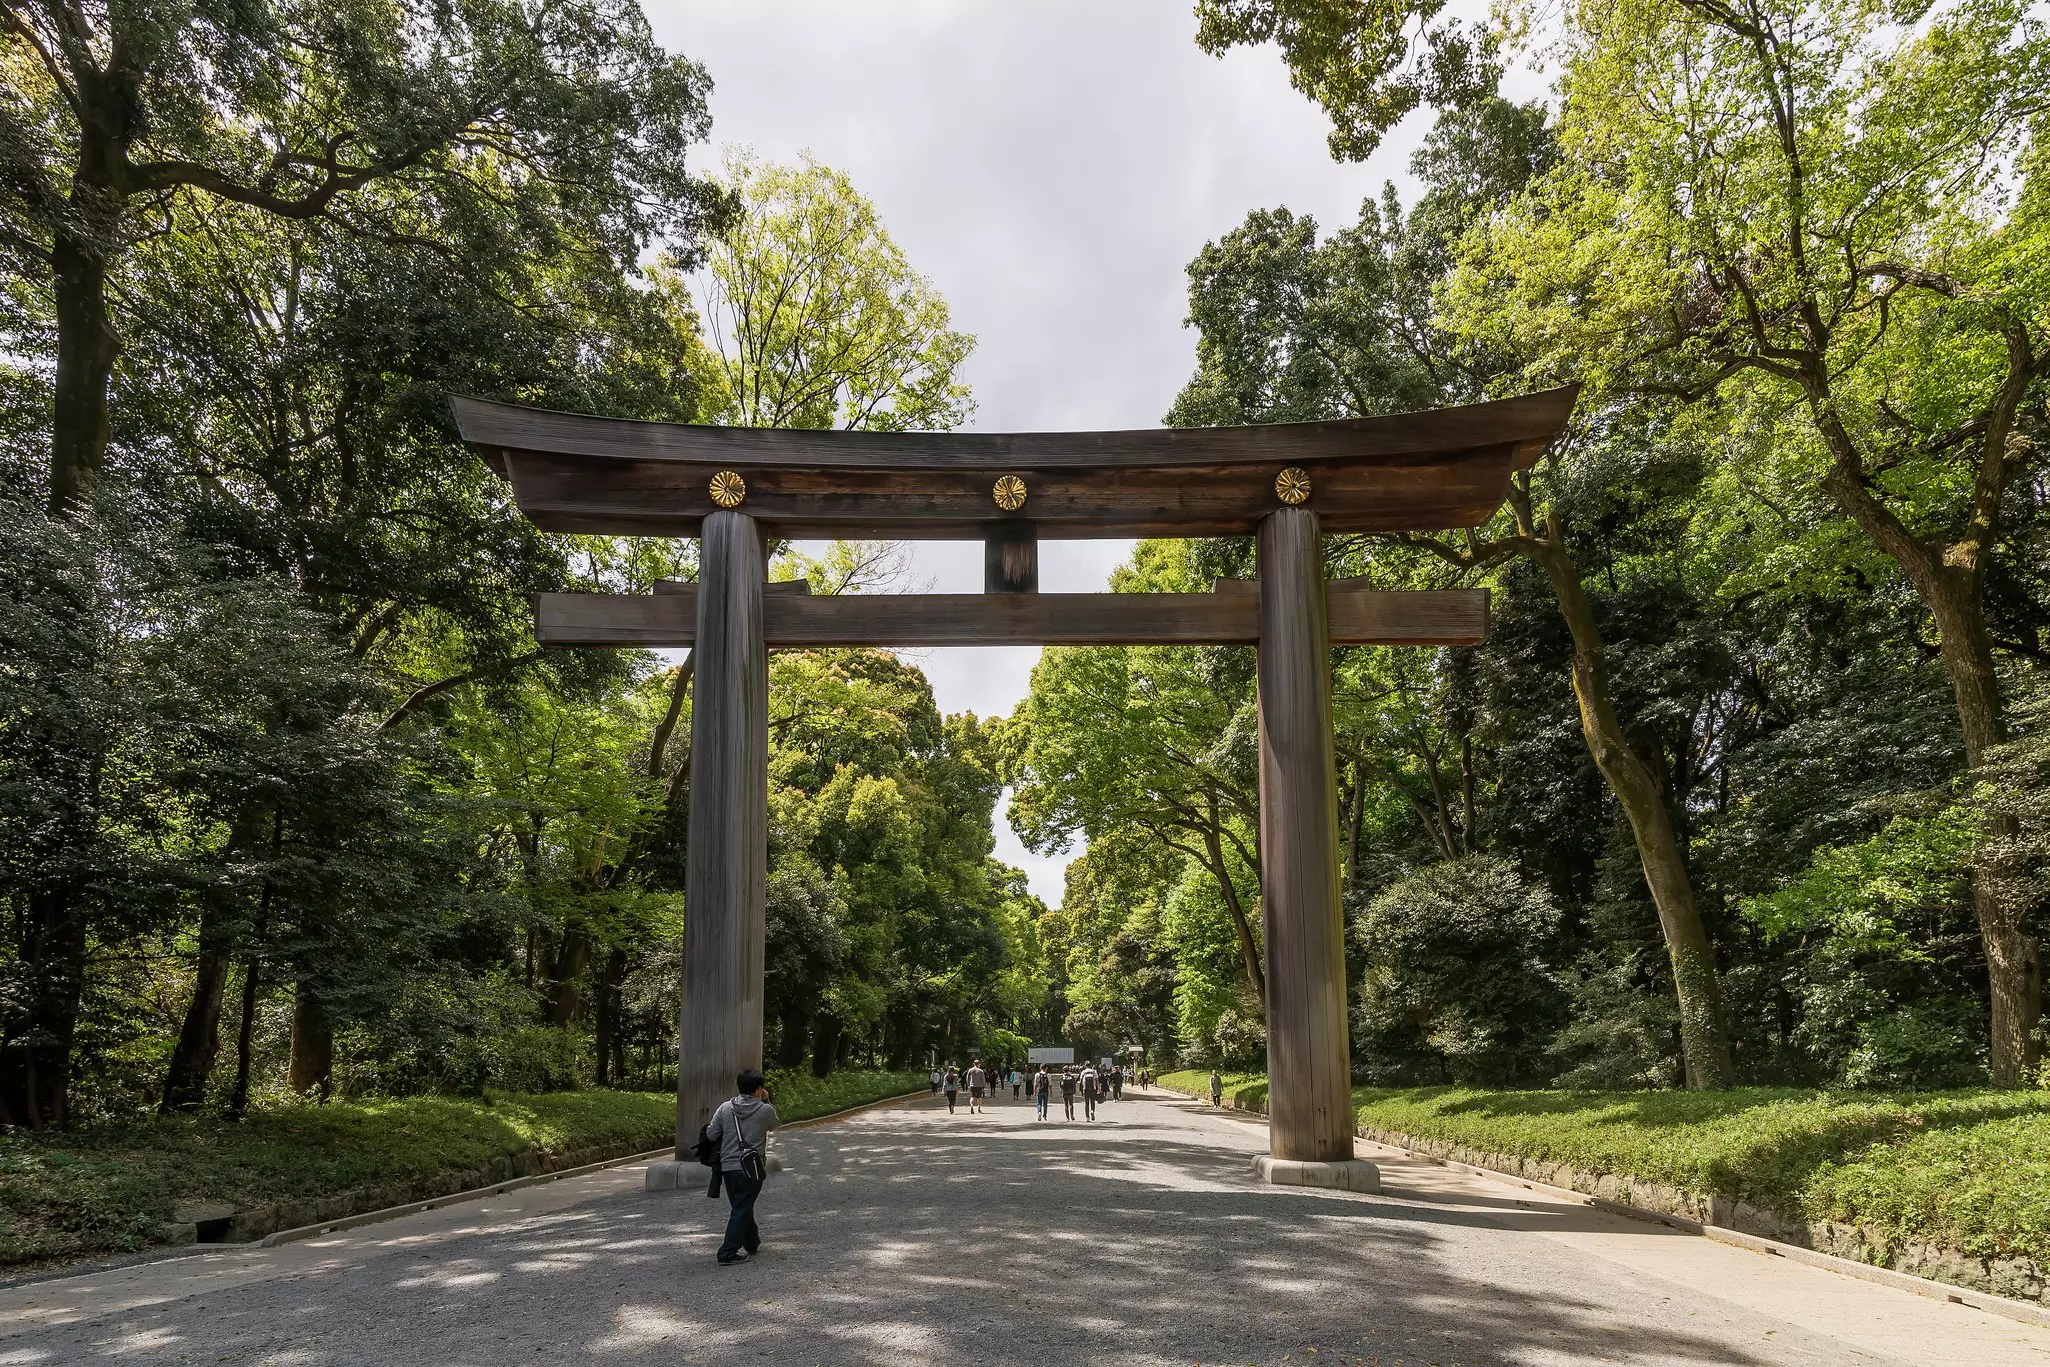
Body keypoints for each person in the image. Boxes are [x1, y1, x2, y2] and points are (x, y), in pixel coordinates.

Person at [705, 1067, 779, 1266]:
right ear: (759, 1088)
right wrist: (767, 1100)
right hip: (751, 1167)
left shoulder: (725, 1108)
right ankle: (727, 1252)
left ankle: (752, 1243)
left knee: (742, 1205)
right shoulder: (765, 1110)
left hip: (728, 1167)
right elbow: (774, 1125)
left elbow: (711, 1134)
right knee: (741, 1208)